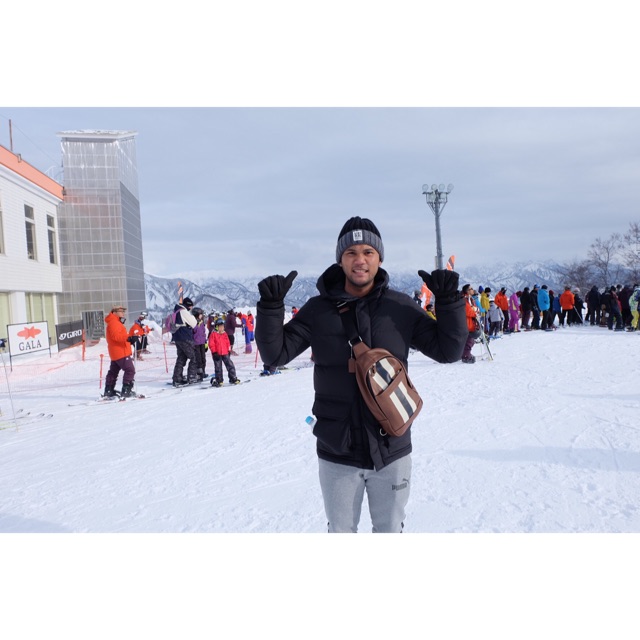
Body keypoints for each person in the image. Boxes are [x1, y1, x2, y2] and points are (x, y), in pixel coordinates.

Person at [256, 216, 467, 533]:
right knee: (341, 532)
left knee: (389, 530)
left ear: (379, 258)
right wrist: (271, 308)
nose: (360, 260)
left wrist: (449, 302)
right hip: (337, 451)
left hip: (392, 447)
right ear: (340, 259)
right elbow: (276, 354)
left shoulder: (400, 307)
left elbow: (448, 350)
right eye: (351, 252)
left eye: (368, 252)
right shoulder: (317, 310)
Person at [104, 305, 137, 398]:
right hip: (120, 352)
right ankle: (126, 391)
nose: (123, 313)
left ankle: (109, 390)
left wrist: (130, 339)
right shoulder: (114, 323)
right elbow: (116, 336)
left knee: (113, 371)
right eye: (121, 311)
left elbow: (119, 336)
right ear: (114, 312)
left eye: (123, 311)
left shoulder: (115, 322)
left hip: (116, 351)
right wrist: (128, 338)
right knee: (130, 370)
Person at [171, 297, 198, 386]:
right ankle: (192, 376)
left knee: (181, 358)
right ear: (188, 305)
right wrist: (193, 316)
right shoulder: (184, 312)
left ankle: (177, 378)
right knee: (194, 357)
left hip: (177, 337)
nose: (191, 308)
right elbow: (194, 323)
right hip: (185, 337)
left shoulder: (176, 311)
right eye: (191, 306)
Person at [208, 318, 241, 386]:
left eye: (223, 326)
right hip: (217, 354)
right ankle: (219, 380)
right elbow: (211, 344)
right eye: (220, 326)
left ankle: (233, 378)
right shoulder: (213, 334)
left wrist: (229, 350)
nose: (222, 328)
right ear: (217, 327)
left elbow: (227, 342)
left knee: (230, 365)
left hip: (225, 352)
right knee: (218, 367)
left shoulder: (224, 334)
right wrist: (214, 352)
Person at [461, 284, 480, 362]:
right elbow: (469, 311)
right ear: (467, 291)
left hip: (470, 322)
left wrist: (476, 310)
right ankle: (466, 356)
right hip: (467, 322)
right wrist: (475, 312)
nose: (473, 290)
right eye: (471, 289)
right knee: (469, 340)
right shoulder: (464, 300)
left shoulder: (470, 299)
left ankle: (464, 354)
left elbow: (475, 308)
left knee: (469, 340)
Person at [191, 307, 208, 381]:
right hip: (196, 344)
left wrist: (205, 342)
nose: (202, 315)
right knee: (198, 359)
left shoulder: (202, 322)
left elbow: (203, 333)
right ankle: (199, 373)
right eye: (201, 314)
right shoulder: (193, 323)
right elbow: (192, 333)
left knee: (203, 358)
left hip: (202, 343)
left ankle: (203, 372)